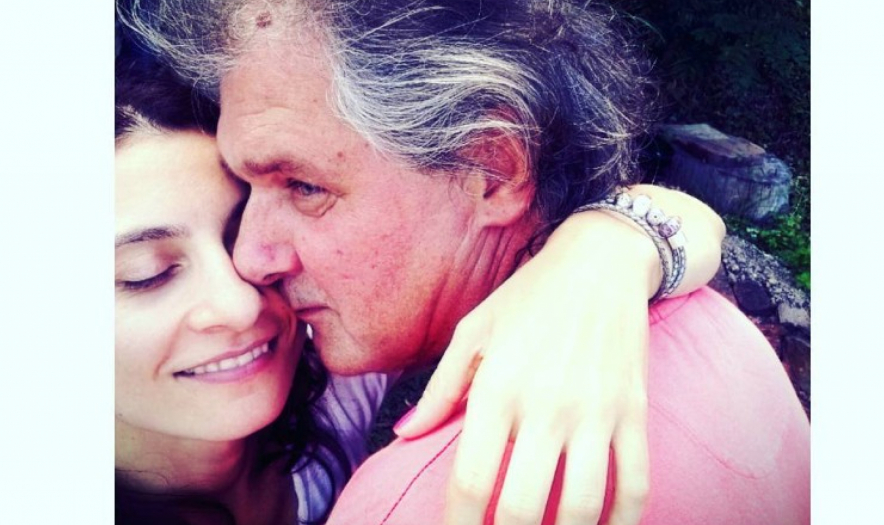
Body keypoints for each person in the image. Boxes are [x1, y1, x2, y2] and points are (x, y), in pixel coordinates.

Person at [114, 48, 728, 524]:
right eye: (147, 275)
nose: (242, 295)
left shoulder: (327, 386)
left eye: (236, 235)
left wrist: (600, 257)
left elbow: (697, 224)